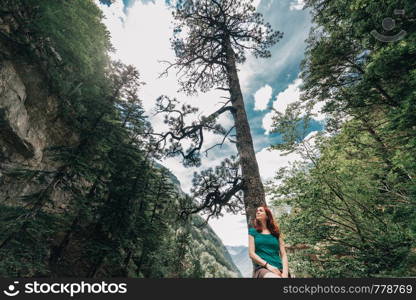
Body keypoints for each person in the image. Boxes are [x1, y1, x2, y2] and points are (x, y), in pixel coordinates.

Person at [248, 205, 290, 278]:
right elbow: (251, 254)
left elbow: (283, 254)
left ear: (267, 216)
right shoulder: (253, 232)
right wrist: (268, 266)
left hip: (279, 268)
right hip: (263, 269)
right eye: (257, 211)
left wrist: (285, 273)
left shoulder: (276, 233)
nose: (257, 212)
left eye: (261, 211)